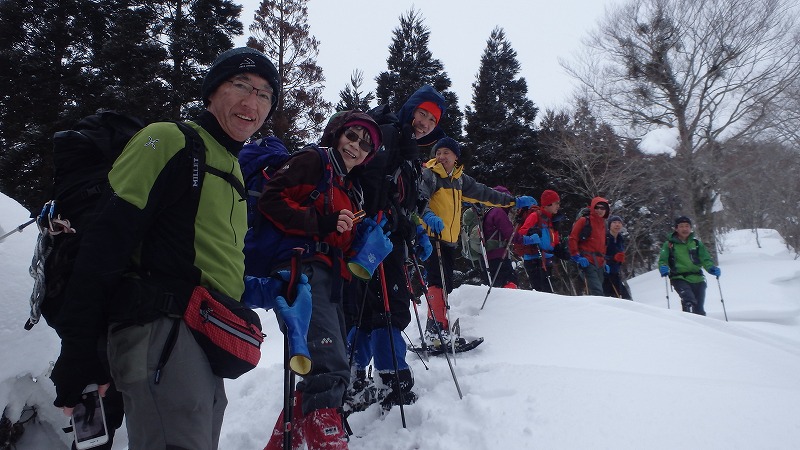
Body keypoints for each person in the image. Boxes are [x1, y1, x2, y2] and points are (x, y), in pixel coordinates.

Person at [47, 47, 302, 450]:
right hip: (163, 332)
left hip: (203, 335)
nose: (252, 102)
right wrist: (79, 348)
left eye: (265, 94)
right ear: (212, 91)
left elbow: (206, 263)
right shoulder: (170, 140)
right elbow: (106, 240)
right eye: (241, 85)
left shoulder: (233, 170)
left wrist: (266, 289)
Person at [259, 110, 391, 450]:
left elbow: (338, 235)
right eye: (352, 136)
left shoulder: (350, 187)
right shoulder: (313, 161)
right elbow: (271, 199)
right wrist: (322, 223)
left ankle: (284, 443)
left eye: (365, 145)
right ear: (337, 134)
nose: (356, 146)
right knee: (329, 368)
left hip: (331, 278)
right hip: (302, 270)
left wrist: (363, 240)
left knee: (328, 368)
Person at [344, 85, 445, 413]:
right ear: (410, 110)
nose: (425, 122)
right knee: (389, 309)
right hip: (376, 237)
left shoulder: (409, 148)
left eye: (432, 120)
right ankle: (392, 382)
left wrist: (416, 228)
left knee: (368, 311)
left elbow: (406, 200)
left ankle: (353, 379)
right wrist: (387, 220)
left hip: (384, 238)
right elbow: (372, 184)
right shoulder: (390, 135)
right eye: (422, 113)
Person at [419, 137, 536, 345]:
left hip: (448, 240)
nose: (441, 156)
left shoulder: (459, 180)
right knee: (437, 280)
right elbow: (419, 198)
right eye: (438, 153)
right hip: (431, 236)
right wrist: (428, 216)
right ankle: (436, 329)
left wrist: (513, 201)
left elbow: (486, 194)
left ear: (456, 157)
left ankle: (438, 326)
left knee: (445, 282)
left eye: (446, 152)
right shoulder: (430, 175)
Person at [658, 216, 721, 315]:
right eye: (681, 226)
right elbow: (663, 259)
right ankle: (688, 322)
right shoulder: (669, 244)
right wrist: (663, 267)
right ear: (676, 229)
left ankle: (699, 324)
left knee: (699, 309)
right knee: (689, 301)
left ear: (691, 228)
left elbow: (705, 259)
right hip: (679, 278)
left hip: (698, 278)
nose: (685, 229)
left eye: (687, 226)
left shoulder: (696, 243)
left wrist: (711, 268)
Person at [517, 190, 566, 293]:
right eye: (556, 203)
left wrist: (558, 248)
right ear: (548, 204)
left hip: (547, 259)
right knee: (541, 292)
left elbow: (554, 238)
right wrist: (531, 232)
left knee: (549, 292)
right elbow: (521, 232)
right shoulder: (535, 216)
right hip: (534, 258)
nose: (558, 206)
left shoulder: (553, 219)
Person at [568, 196, 610, 296]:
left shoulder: (604, 225)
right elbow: (573, 238)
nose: (599, 210)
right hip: (587, 261)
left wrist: (605, 262)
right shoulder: (584, 221)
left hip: (600, 263)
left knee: (599, 288)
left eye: (602, 208)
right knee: (597, 291)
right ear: (592, 208)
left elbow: (603, 245)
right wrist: (576, 256)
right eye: (597, 207)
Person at [483, 186, 521, 289]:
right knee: (509, 283)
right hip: (499, 256)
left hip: (487, 256)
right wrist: (525, 239)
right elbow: (510, 234)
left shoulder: (487, 211)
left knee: (496, 286)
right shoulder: (498, 212)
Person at [603, 215, 632, 299]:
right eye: (614, 222)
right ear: (609, 225)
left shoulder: (620, 239)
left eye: (619, 223)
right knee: (610, 298)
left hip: (616, 272)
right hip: (605, 273)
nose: (617, 225)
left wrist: (620, 259)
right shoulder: (605, 238)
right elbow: (600, 255)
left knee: (625, 298)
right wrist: (613, 258)